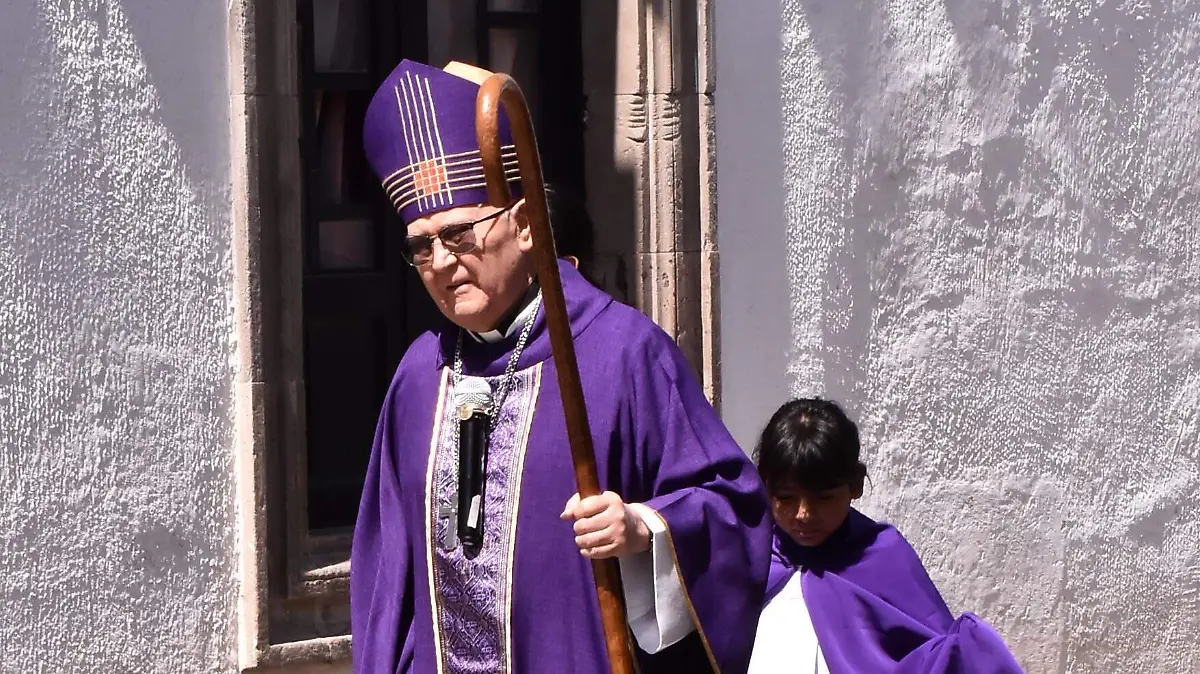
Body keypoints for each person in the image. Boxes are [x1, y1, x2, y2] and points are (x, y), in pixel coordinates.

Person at [351, 58, 772, 674]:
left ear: (524, 227)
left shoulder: (621, 353)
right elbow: (385, 571)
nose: (441, 261)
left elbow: (735, 510)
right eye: (421, 245)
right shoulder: (421, 376)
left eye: (459, 234)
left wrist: (643, 529)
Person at [747, 398, 1024, 674]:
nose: (803, 514)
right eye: (786, 498)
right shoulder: (750, 559)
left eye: (823, 497)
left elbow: (928, 653)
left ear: (855, 485)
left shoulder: (884, 557)